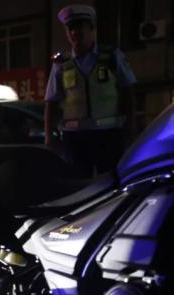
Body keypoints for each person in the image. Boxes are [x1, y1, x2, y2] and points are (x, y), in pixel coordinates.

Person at [44, 4, 137, 177]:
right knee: (79, 184)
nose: (74, 32)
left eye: (79, 27)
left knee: (110, 182)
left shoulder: (111, 56)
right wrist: (49, 136)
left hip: (109, 136)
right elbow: (51, 101)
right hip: (75, 138)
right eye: (70, 28)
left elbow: (128, 92)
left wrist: (130, 129)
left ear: (91, 29)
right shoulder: (61, 64)